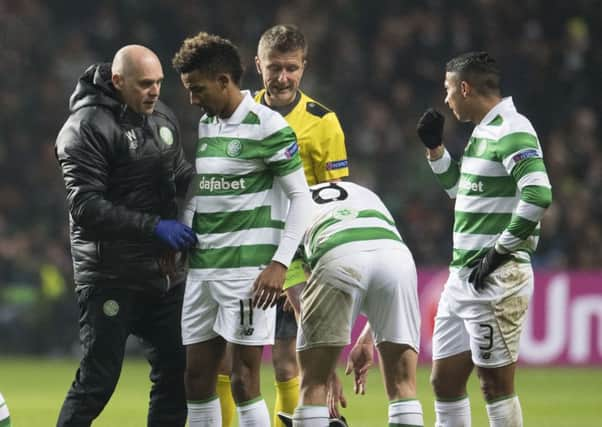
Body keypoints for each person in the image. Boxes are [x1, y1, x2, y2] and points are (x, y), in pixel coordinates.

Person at [172, 32, 313, 426]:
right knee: (197, 378)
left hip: (246, 275)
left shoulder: (267, 126)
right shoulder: (207, 125)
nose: (192, 99)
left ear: (224, 81)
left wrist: (280, 264)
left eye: (197, 89)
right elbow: (202, 188)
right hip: (203, 270)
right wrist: (184, 231)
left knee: (244, 379)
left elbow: (301, 199)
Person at [213, 24, 350, 427]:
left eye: (291, 68)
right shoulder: (237, 109)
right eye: (274, 68)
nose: (283, 77)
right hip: (240, 249)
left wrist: (312, 268)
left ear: (304, 67)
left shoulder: (323, 122)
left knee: (288, 358)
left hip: (297, 255)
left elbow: (335, 198)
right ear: (258, 65)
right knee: (225, 356)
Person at [55, 45, 197, 426]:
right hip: (110, 276)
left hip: (162, 275)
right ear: (118, 81)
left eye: (159, 83)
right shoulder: (85, 127)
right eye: (145, 84)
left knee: (177, 373)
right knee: (99, 381)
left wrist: (192, 211)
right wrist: (155, 228)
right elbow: (86, 208)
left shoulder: (162, 117)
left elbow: (181, 176)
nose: (154, 91)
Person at [416, 51, 553, 427]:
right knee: (443, 381)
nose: (446, 100)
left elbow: (539, 194)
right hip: (462, 276)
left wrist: (499, 251)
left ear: (465, 87)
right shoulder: (484, 131)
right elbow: (461, 190)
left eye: (448, 90)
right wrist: (436, 151)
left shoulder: (512, 129)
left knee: (494, 385)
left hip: (497, 276)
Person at [283, 181, 424, 427]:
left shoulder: (286, 204)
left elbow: (300, 301)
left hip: (337, 251)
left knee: (313, 384)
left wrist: (324, 367)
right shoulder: (360, 190)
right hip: (396, 256)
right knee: (404, 385)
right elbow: (378, 259)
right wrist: (368, 337)